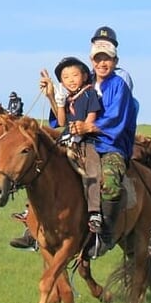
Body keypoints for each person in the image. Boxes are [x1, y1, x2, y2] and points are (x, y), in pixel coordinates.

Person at [9, 36, 138, 259]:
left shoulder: (119, 85)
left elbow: (117, 117)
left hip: (109, 144)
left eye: (107, 58)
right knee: (45, 169)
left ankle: (105, 235)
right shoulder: (84, 85)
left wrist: (88, 126)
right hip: (80, 142)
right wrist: (51, 94)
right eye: (98, 59)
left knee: (110, 182)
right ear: (91, 61)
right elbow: (64, 119)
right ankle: (35, 226)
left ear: (115, 61)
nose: (102, 63)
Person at [42, 57, 104, 233]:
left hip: (86, 141)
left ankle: (94, 212)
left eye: (74, 75)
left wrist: (82, 129)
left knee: (92, 171)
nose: (71, 80)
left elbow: (91, 117)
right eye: (66, 77)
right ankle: (32, 211)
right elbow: (61, 121)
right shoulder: (67, 98)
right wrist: (56, 100)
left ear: (84, 76)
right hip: (66, 140)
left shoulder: (89, 93)